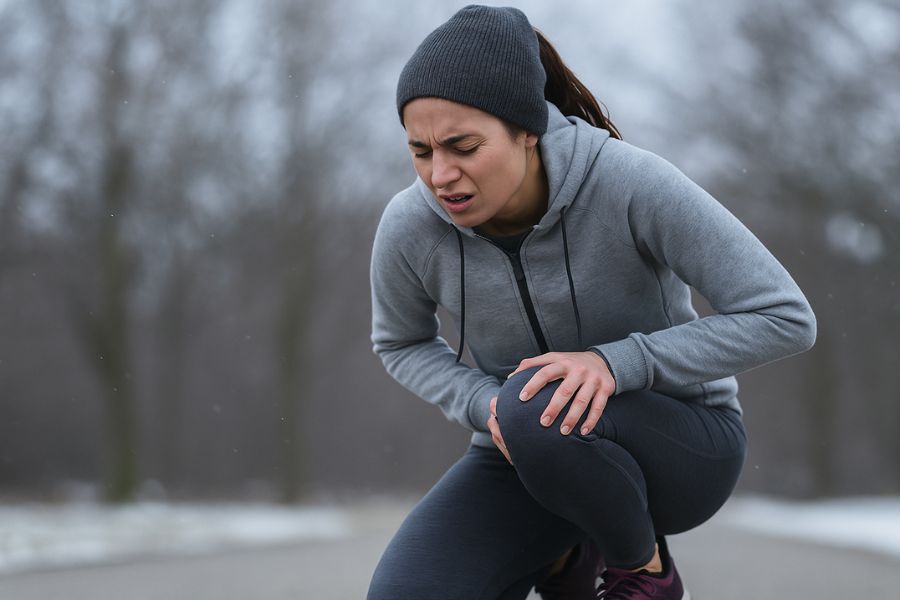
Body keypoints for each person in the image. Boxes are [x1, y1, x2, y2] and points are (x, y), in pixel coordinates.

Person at [367, 5, 816, 599]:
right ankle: (568, 559)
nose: (440, 174)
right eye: (421, 152)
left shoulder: (628, 183)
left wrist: (613, 364)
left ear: (528, 129)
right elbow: (400, 342)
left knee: (537, 409)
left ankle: (643, 569)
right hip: (523, 452)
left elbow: (784, 316)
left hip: (678, 449)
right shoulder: (410, 228)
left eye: (463, 146)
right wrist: (482, 403)